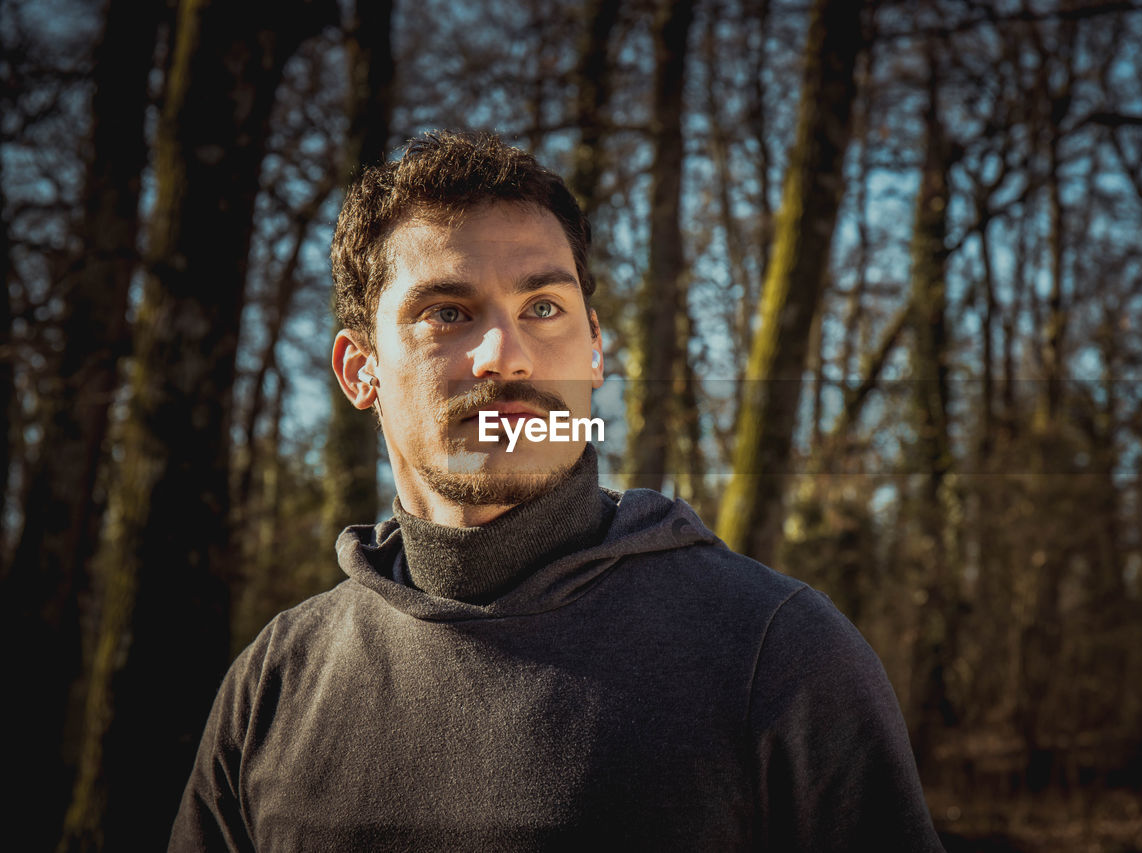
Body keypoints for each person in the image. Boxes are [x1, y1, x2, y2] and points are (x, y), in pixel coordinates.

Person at [170, 130, 944, 851]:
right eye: (448, 312)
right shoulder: (274, 684)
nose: (505, 355)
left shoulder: (776, 654)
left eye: (543, 307)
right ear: (358, 369)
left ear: (596, 347)